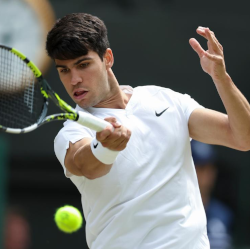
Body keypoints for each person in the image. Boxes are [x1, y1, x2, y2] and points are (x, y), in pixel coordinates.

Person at [45, 13, 250, 249]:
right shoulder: (71, 133)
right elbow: (85, 164)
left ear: (107, 58)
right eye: (64, 70)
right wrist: (106, 148)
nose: (74, 80)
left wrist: (221, 77)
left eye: (83, 64)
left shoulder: (165, 100)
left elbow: (243, 137)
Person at [191, 140, 234, 249]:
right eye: (201, 168)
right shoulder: (176, 213)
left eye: (210, 167)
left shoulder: (222, 214)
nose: (207, 174)